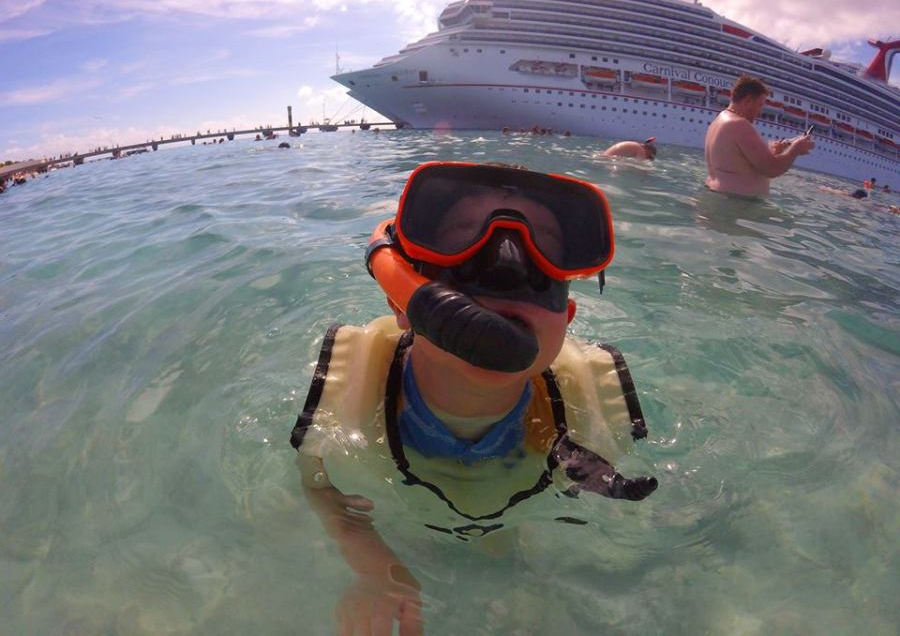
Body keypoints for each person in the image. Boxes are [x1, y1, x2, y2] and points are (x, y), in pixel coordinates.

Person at [290, 162, 657, 636]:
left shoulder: (584, 400)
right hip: (401, 520)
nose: (506, 264)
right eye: (464, 236)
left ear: (566, 320)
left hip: (513, 501)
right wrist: (375, 567)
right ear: (402, 302)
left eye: (543, 246)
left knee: (502, 552)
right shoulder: (355, 383)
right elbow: (319, 486)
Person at [704, 74, 815, 197]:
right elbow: (771, 169)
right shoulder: (739, 124)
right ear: (748, 100)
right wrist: (796, 149)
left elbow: (738, 162)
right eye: (760, 105)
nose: (760, 111)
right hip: (736, 203)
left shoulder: (720, 120)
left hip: (720, 196)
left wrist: (774, 152)